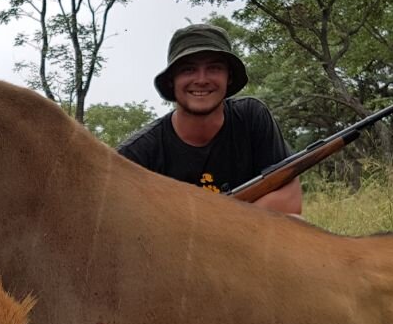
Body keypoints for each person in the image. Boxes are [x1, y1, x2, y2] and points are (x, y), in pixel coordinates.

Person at [117, 24, 302, 215]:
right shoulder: (137, 155)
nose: (202, 79)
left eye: (214, 68)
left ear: (229, 77)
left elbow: (290, 199)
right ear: (172, 81)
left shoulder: (251, 117)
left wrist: (215, 224)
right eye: (188, 69)